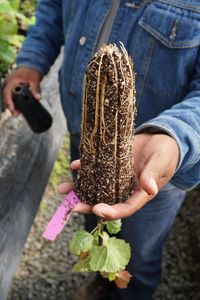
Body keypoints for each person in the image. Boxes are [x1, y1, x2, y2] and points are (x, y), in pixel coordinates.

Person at [3, 1, 200, 299]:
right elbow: (52, 8)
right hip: (84, 142)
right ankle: (103, 278)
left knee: (140, 251)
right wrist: (32, 59)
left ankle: (132, 289)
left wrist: (173, 136)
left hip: (158, 163)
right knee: (92, 213)